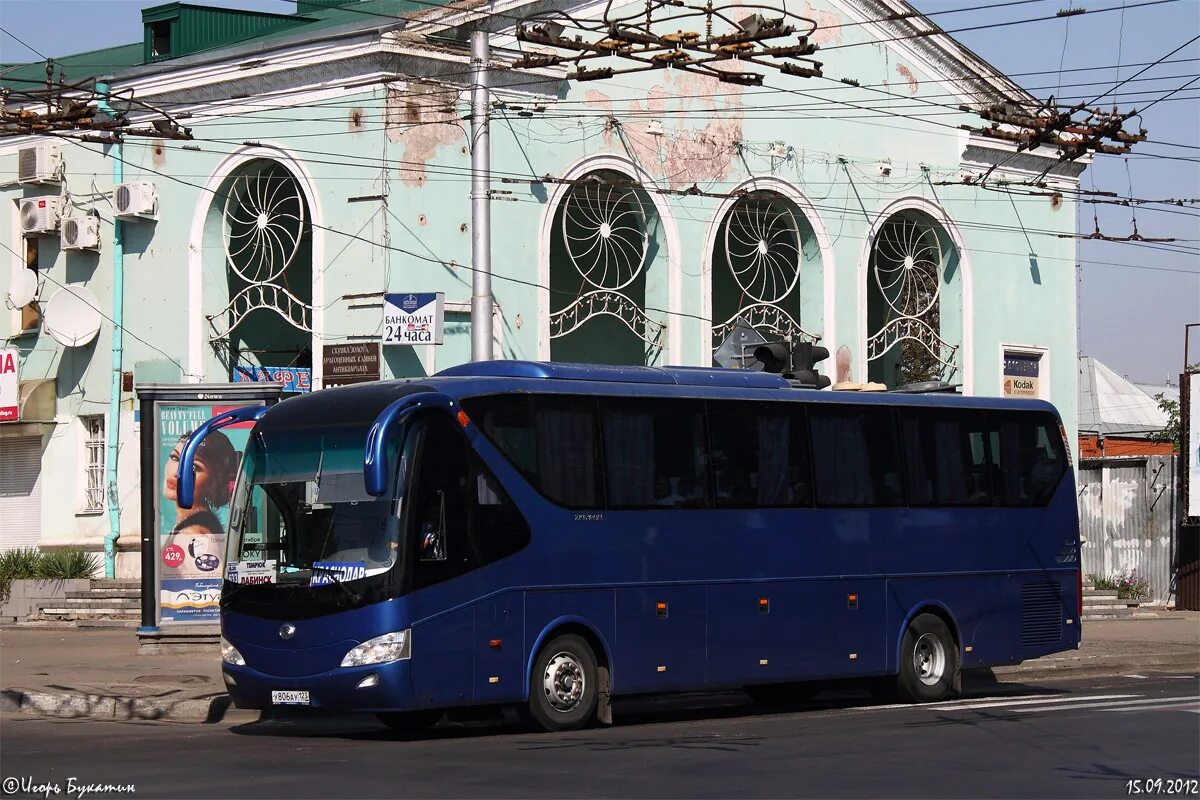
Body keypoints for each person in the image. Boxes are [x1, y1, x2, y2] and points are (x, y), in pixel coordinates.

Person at [163, 430, 238, 536]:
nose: (177, 472)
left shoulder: (192, 532)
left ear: (213, 482)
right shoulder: (195, 523)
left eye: (193, 467)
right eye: (175, 458)